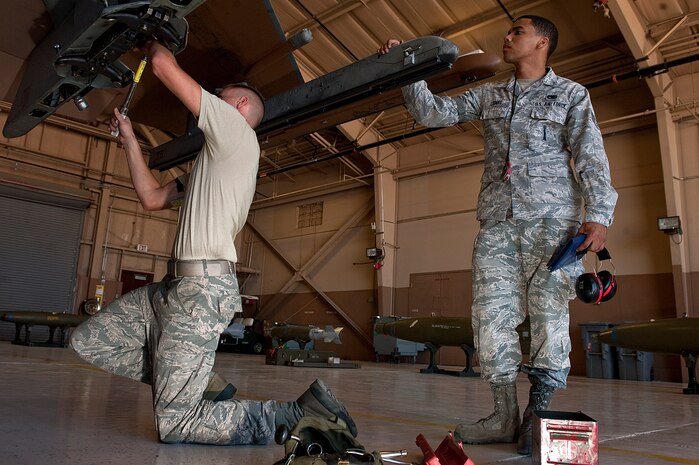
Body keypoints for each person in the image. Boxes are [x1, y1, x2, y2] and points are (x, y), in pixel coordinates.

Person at [70, 40, 357, 445]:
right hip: (174, 290)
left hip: (201, 293)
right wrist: (130, 139)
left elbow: (162, 64)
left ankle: (293, 414)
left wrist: (153, 36)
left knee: (175, 425)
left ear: (237, 105)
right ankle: (201, 383)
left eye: (218, 96)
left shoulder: (235, 129)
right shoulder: (214, 160)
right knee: (90, 340)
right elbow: (152, 199)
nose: (209, 100)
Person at [379, 15, 617, 455]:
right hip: (498, 225)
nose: (507, 38)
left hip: (553, 226)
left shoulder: (570, 95)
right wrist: (407, 68)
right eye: (508, 31)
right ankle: (504, 414)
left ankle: (538, 413)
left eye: (518, 32)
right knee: (491, 318)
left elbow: (591, 156)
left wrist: (599, 216)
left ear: (542, 42)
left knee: (548, 315)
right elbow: (435, 112)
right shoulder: (491, 94)